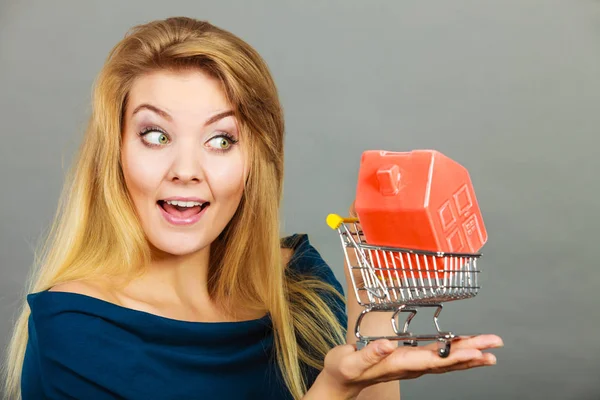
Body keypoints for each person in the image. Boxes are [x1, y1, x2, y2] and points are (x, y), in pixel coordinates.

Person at [2, 16, 503, 400]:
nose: (186, 169)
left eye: (221, 140)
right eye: (155, 135)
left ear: (254, 163)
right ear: (116, 153)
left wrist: (372, 289)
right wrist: (331, 390)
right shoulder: (78, 327)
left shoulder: (299, 286)